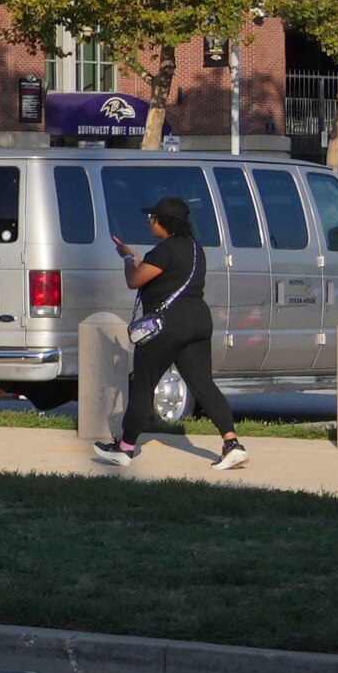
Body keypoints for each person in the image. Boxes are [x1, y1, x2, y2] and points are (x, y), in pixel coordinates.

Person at [98, 190, 247, 471]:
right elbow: (167, 278)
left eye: (152, 218)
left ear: (163, 222)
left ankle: (124, 448)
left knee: (143, 385)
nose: (149, 222)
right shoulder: (194, 248)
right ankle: (231, 443)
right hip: (198, 321)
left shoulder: (165, 250)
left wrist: (128, 258)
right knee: (202, 383)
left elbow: (135, 280)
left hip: (166, 325)